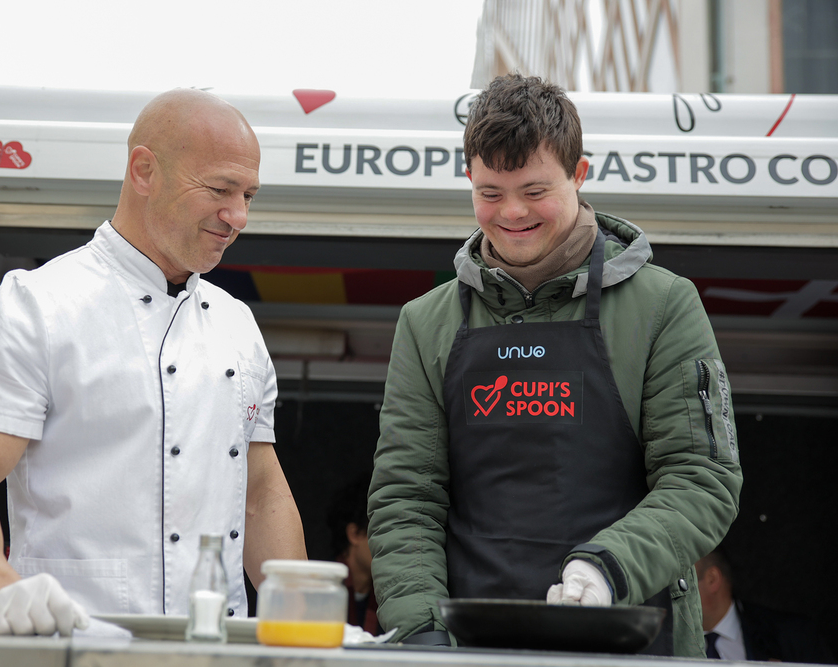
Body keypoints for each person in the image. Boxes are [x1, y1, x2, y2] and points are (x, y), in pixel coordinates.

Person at [367, 74, 743, 656]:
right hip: (471, 645)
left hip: (631, 636)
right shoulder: (425, 322)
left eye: (534, 190)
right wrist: (423, 633)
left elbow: (702, 479)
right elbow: (405, 498)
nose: (512, 212)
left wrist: (605, 570)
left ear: (579, 174)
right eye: (491, 193)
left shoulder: (663, 304)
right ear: (468, 180)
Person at [0, 89, 307, 636]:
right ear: (144, 171)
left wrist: (307, 620)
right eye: (220, 189)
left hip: (216, 645)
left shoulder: (237, 323)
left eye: (249, 195)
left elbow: (261, 494)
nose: (238, 215)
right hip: (71, 642)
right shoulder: (37, 305)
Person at [697, 549, 835, 663]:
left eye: (685, 582)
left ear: (712, 579)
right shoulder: (681, 642)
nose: (682, 590)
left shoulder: (794, 636)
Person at [326, 474, 381, 635]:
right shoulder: (322, 589)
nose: (393, 544)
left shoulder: (391, 593)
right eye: (381, 533)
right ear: (354, 534)